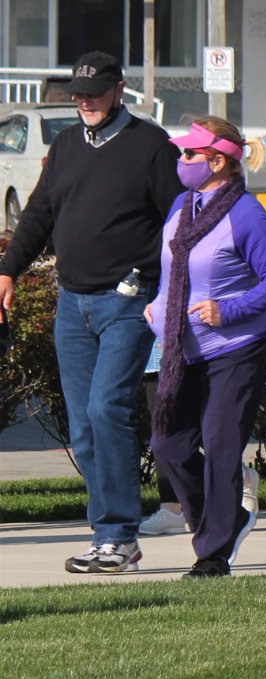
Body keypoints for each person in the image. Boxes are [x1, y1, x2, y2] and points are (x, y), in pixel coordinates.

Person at [0, 52, 181, 574]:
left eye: (95, 93)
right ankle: (108, 535)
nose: (85, 101)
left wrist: (148, 279)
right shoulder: (64, 147)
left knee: (108, 410)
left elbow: (177, 224)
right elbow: (38, 215)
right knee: (83, 428)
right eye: (78, 94)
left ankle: (119, 536)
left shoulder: (151, 146)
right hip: (70, 303)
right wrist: (9, 269)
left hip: (126, 302)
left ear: (118, 90)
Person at [141, 118, 266, 578]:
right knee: (167, 443)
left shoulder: (245, 213)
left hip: (237, 347)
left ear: (218, 161)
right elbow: (173, 268)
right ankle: (225, 518)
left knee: (221, 445)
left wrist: (229, 309)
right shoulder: (182, 205)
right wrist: (157, 304)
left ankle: (213, 554)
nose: (181, 161)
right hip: (181, 349)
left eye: (190, 154)